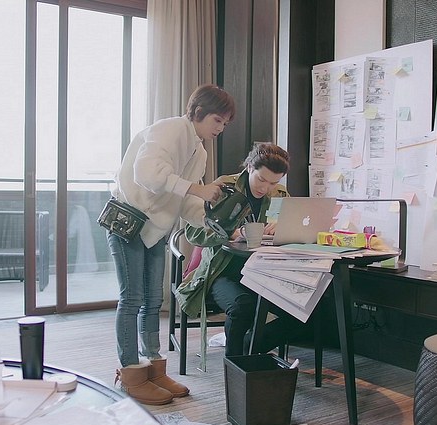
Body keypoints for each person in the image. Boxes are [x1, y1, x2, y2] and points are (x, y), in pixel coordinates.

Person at [106, 84, 235, 406]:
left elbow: (186, 203)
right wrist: (197, 189)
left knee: (153, 300)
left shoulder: (199, 152)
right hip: (128, 222)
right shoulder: (171, 128)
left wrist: (215, 223)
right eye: (217, 120)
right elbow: (146, 173)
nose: (220, 128)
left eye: (224, 123)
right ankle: (131, 373)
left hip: (154, 229)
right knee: (132, 299)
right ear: (199, 112)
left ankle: (154, 368)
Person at [175, 143, 305, 357]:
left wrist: (283, 228)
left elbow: (294, 230)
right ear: (250, 167)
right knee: (243, 307)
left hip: (262, 272)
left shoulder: (280, 194)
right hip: (221, 271)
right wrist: (229, 233)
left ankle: (246, 348)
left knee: (301, 310)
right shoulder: (224, 188)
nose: (265, 188)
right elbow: (193, 233)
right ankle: (235, 364)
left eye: (273, 182)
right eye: (261, 179)